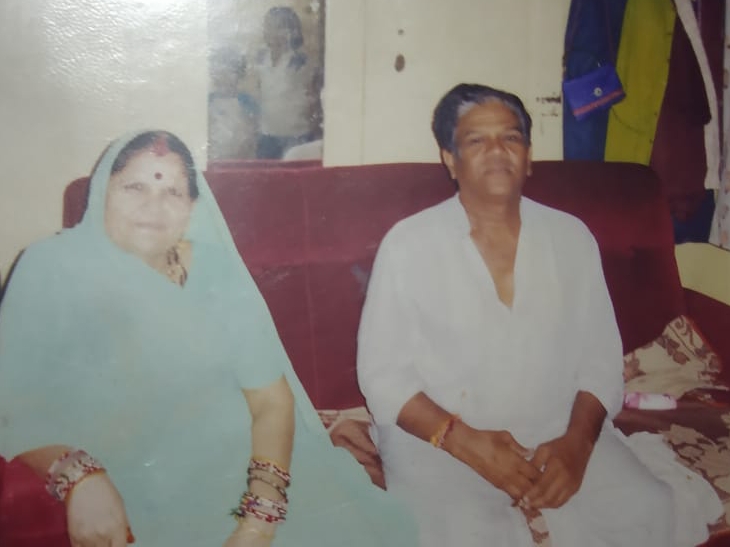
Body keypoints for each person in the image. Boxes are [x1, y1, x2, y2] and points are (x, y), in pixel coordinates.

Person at [0, 130, 417, 547]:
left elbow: (271, 401)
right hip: (150, 481)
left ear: (192, 208)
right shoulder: (50, 268)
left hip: (261, 467)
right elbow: (11, 400)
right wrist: (78, 476)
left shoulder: (216, 271)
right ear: (102, 191)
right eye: (135, 187)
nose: (153, 207)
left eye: (173, 192)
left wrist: (259, 519)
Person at [357, 83, 719, 546]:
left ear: (528, 156)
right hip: (441, 440)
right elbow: (383, 376)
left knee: (649, 509)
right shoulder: (408, 244)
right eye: (476, 140)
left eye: (511, 137)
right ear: (450, 159)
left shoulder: (571, 238)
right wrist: (464, 441)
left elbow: (600, 360)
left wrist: (578, 445)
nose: (497, 151)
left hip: (554, 426)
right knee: (462, 535)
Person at [255, 6, 321, 159]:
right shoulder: (261, 59)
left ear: (292, 31)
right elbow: (261, 92)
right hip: (267, 134)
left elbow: (312, 97)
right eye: (269, 26)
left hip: (295, 134)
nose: (272, 32)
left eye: (279, 27)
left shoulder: (300, 61)